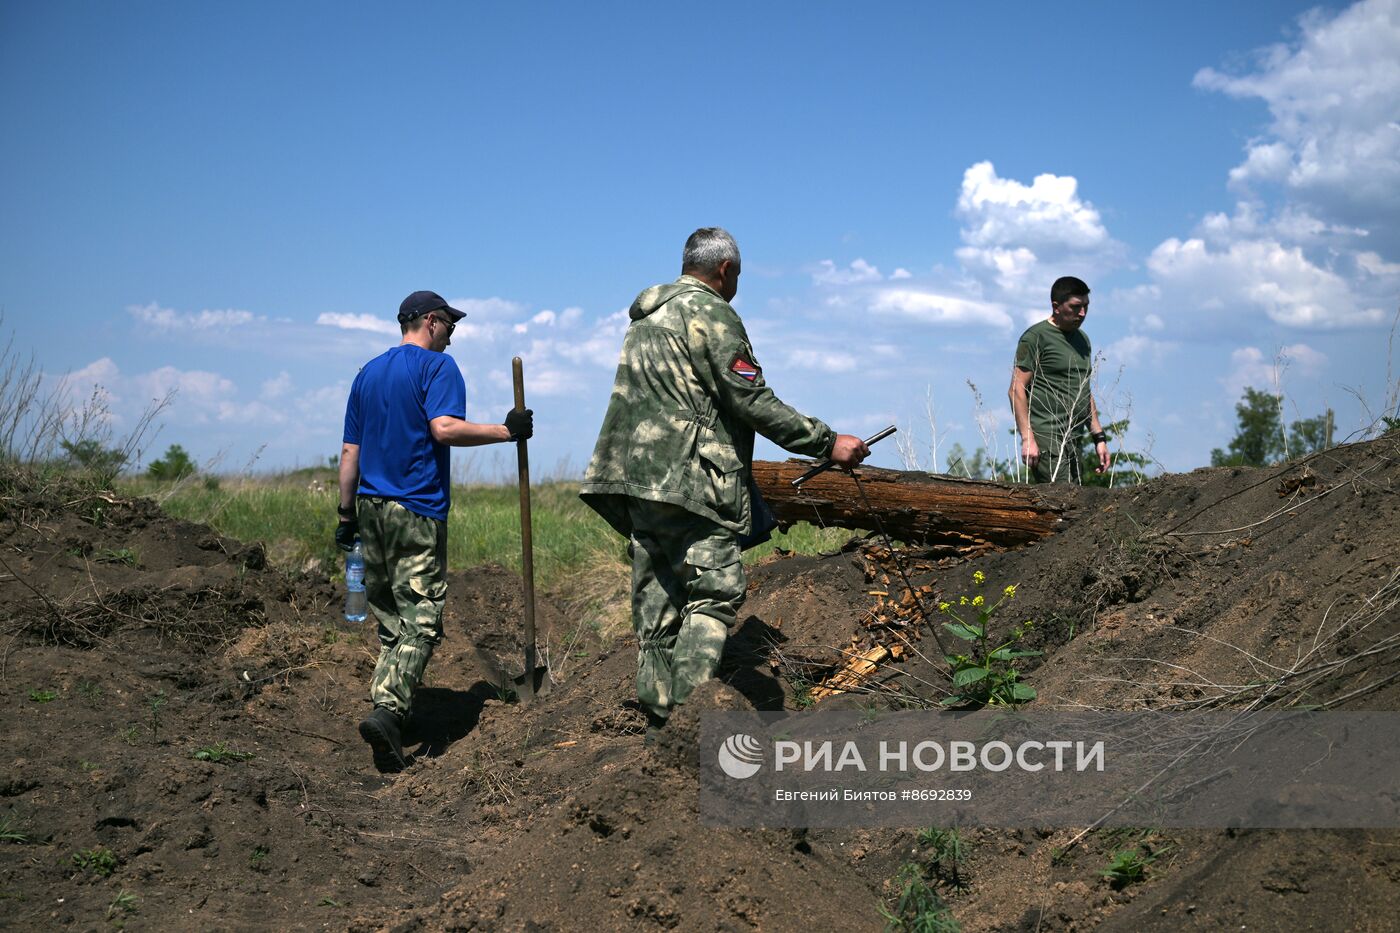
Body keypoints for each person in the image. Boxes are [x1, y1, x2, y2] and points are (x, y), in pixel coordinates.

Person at [580, 227, 869, 741]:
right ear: (724, 271)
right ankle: (691, 724)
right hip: (693, 480)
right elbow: (751, 399)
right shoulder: (712, 311)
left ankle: (657, 719)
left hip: (637, 480)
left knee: (659, 598)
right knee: (714, 592)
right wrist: (828, 443)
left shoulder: (645, 319)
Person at [336, 290, 533, 773]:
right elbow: (444, 429)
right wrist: (507, 431)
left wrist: (345, 516)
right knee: (423, 618)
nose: (453, 333)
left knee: (391, 622)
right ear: (430, 321)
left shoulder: (366, 374)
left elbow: (349, 454)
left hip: (370, 508)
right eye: (450, 324)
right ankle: (387, 709)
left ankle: (391, 716)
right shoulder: (438, 369)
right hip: (415, 509)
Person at [1008, 276, 1111, 484]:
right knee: (1062, 502)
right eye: (1075, 307)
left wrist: (1099, 437)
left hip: (1074, 438)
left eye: (1085, 306)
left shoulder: (1083, 340)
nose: (1082, 313)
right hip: (1048, 436)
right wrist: (1028, 438)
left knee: (1075, 500)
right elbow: (1016, 389)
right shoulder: (1036, 337)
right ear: (1056, 306)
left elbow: (1083, 389)